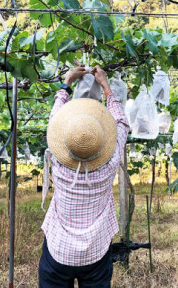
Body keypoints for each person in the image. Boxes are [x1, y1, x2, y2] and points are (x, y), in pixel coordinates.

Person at [38, 65, 129, 287]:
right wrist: (106, 87)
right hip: (95, 253)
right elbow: (122, 124)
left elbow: (54, 120)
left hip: (58, 251)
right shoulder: (110, 163)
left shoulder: (57, 163)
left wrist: (67, 82)